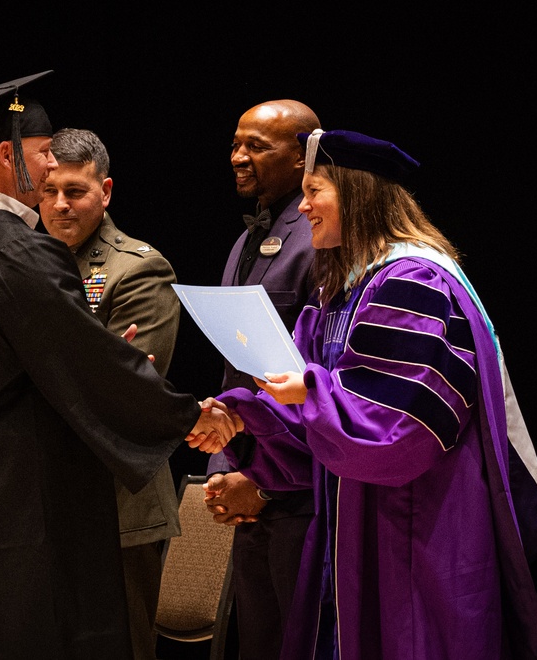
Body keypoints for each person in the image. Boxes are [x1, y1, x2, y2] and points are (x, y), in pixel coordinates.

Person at [0, 71, 241, 660]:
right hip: (27, 522)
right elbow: (84, 364)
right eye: (41, 156)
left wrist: (100, 355)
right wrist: (186, 413)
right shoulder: (18, 252)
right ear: (8, 154)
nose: (47, 173)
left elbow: (34, 368)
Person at [213, 128, 537, 658]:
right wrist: (238, 418)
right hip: (351, 529)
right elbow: (308, 426)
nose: (302, 206)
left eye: (314, 189)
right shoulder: (339, 292)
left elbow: (395, 433)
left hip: (414, 530)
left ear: (356, 193)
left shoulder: (413, 281)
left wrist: (308, 392)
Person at [39, 127, 180, 660]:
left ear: (106, 191)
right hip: (44, 499)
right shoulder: (20, 262)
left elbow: (132, 394)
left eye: (75, 191)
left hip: (119, 503)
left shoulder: (137, 267)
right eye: (49, 191)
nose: (59, 205)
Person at [201, 99, 320, 660]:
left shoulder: (320, 234)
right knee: (257, 645)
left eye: (256, 146)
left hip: (301, 492)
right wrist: (224, 468)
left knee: (301, 644)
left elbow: (320, 378)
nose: (238, 157)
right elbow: (233, 369)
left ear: (302, 156)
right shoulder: (246, 239)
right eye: (234, 144)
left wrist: (267, 483)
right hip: (250, 486)